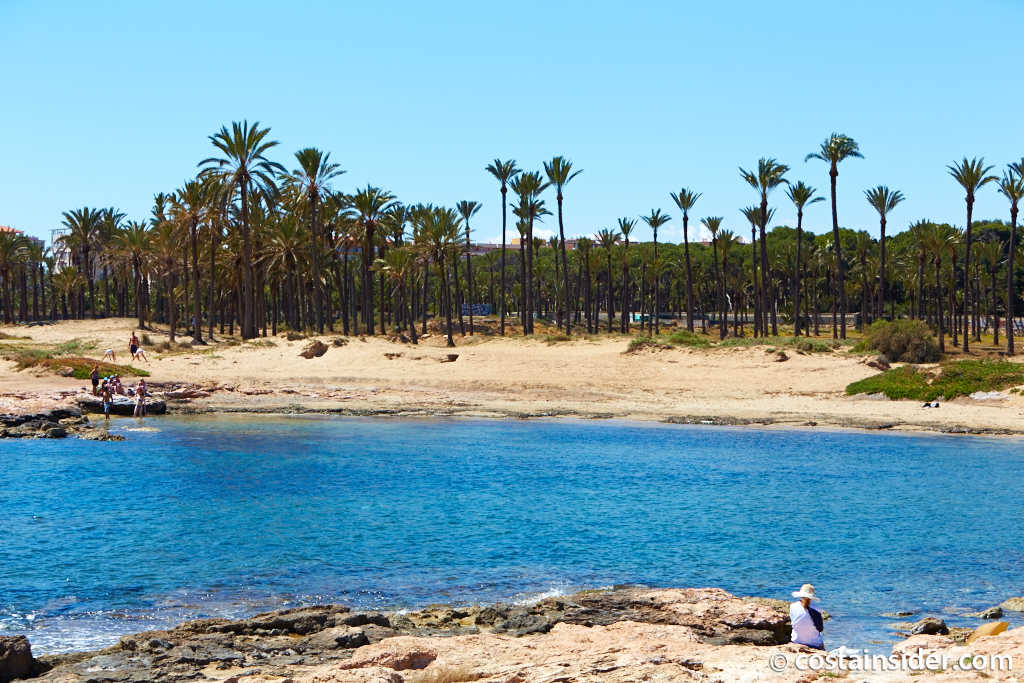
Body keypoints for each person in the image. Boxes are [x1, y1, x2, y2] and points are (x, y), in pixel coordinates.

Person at [790, 584, 825, 649]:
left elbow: (793, 624)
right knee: (820, 637)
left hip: (796, 642)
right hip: (815, 645)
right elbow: (820, 628)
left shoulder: (793, 607)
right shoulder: (817, 609)